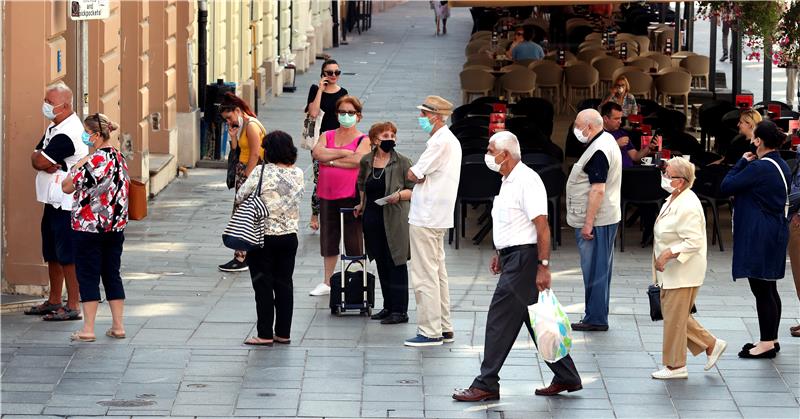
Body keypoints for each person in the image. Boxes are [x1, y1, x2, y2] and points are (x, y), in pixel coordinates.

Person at [452, 132, 582, 402]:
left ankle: (486, 382)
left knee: (499, 319)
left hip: (524, 260)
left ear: (506, 154)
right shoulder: (507, 180)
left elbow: (542, 226)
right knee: (537, 320)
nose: (487, 155)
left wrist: (543, 266)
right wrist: (500, 251)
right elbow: (511, 222)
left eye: (491, 150)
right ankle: (566, 375)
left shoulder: (526, 180)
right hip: (513, 257)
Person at [651, 158, 727, 379]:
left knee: (675, 318)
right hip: (673, 272)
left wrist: (667, 254)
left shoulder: (688, 204)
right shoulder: (674, 198)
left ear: (681, 181)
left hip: (683, 272)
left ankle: (676, 366)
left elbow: (693, 241)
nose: (664, 177)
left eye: (668, 174)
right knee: (675, 315)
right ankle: (711, 344)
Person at [720, 120, 790, 359]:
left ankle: (766, 343)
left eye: (754, 137)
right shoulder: (780, 163)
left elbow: (726, 186)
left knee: (761, 288)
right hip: (774, 229)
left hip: (759, 233)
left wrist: (741, 162)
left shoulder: (759, 167)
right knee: (769, 286)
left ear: (759, 141)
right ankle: (772, 338)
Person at [61, 113, 129, 342]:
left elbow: (67, 187)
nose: (85, 137)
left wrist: (78, 164)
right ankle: (118, 326)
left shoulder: (94, 161)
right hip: (115, 227)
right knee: (112, 274)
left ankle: (88, 329)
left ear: (97, 135)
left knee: (88, 275)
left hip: (88, 227)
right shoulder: (119, 157)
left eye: (87, 133)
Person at [27, 82, 88, 321]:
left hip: (66, 202)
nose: (45, 105)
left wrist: (41, 159)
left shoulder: (68, 132)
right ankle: (54, 300)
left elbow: (41, 161)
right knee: (52, 251)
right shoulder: (56, 127)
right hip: (52, 200)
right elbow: (36, 155)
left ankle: (73, 304)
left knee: (67, 254)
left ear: (65, 106)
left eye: (50, 102)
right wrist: (39, 158)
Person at [404, 96, 462, 347]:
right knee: (437, 272)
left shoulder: (439, 142)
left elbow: (413, 173)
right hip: (438, 214)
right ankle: (444, 325)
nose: (422, 119)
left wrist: (417, 176)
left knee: (424, 274)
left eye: (425, 115)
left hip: (426, 214)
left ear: (436, 116)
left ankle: (429, 330)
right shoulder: (449, 140)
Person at [239, 131, 304, 346]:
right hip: (289, 237)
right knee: (285, 284)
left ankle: (265, 333)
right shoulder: (299, 174)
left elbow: (241, 195)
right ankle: (283, 333)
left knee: (263, 285)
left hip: (262, 236)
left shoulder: (261, 171)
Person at [309, 96, 371, 296]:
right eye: (342, 112)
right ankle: (327, 282)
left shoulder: (364, 139)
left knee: (353, 237)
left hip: (350, 193)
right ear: (336, 115)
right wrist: (345, 152)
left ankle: (355, 280)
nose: (346, 116)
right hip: (327, 193)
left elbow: (358, 161)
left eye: (351, 113)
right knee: (328, 237)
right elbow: (318, 154)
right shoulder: (326, 134)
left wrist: (332, 159)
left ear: (358, 116)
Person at [566, 109, 622, 332]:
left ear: (589, 127)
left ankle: (596, 317)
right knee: (599, 268)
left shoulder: (599, 149)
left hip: (598, 220)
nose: (576, 129)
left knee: (595, 270)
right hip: (604, 218)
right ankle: (596, 314)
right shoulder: (605, 140)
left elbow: (598, 189)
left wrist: (588, 222)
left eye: (578, 125)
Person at [354, 122, 415, 325]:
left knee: (396, 261)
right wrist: (361, 204)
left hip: (395, 217)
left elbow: (414, 190)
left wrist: (398, 195)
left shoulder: (403, 162)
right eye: (385, 135)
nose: (390, 138)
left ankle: (400, 310)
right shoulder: (366, 161)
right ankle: (388, 306)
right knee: (381, 261)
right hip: (373, 217)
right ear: (374, 140)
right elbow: (362, 185)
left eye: (392, 135)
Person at [218, 92, 266, 273]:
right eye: (226, 120)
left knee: (242, 215)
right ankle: (245, 254)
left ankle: (241, 257)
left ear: (237, 110)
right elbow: (237, 151)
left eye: (229, 117)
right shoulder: (243, 125)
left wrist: (246, 178)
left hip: (251, 172)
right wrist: (233, 136)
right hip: (245, 171)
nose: (229, 121)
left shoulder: (252, 126)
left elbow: (255, 154)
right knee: (243, 214)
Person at [306, 59, 348, 232]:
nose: (333, 76)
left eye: (336, 72)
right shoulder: (315, 90)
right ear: (323, 74)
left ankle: (332, 212)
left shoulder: (343, 92)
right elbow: (313, 113)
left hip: (338, 141)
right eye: (329, 72)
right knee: (320, 179)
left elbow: (347, 117)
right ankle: (315, 213)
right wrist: (321, 90)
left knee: (337, 177)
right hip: (319, 142)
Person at [601, 102, 655, 168]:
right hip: (615, 174)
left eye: (620, 118)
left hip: (631, 171)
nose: (620, 121)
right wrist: (616, 145)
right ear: (605, 119)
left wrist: (647, 148)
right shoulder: (599, 134)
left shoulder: (622, 133)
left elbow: (635, 157)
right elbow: (600, 156)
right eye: (616, 119)